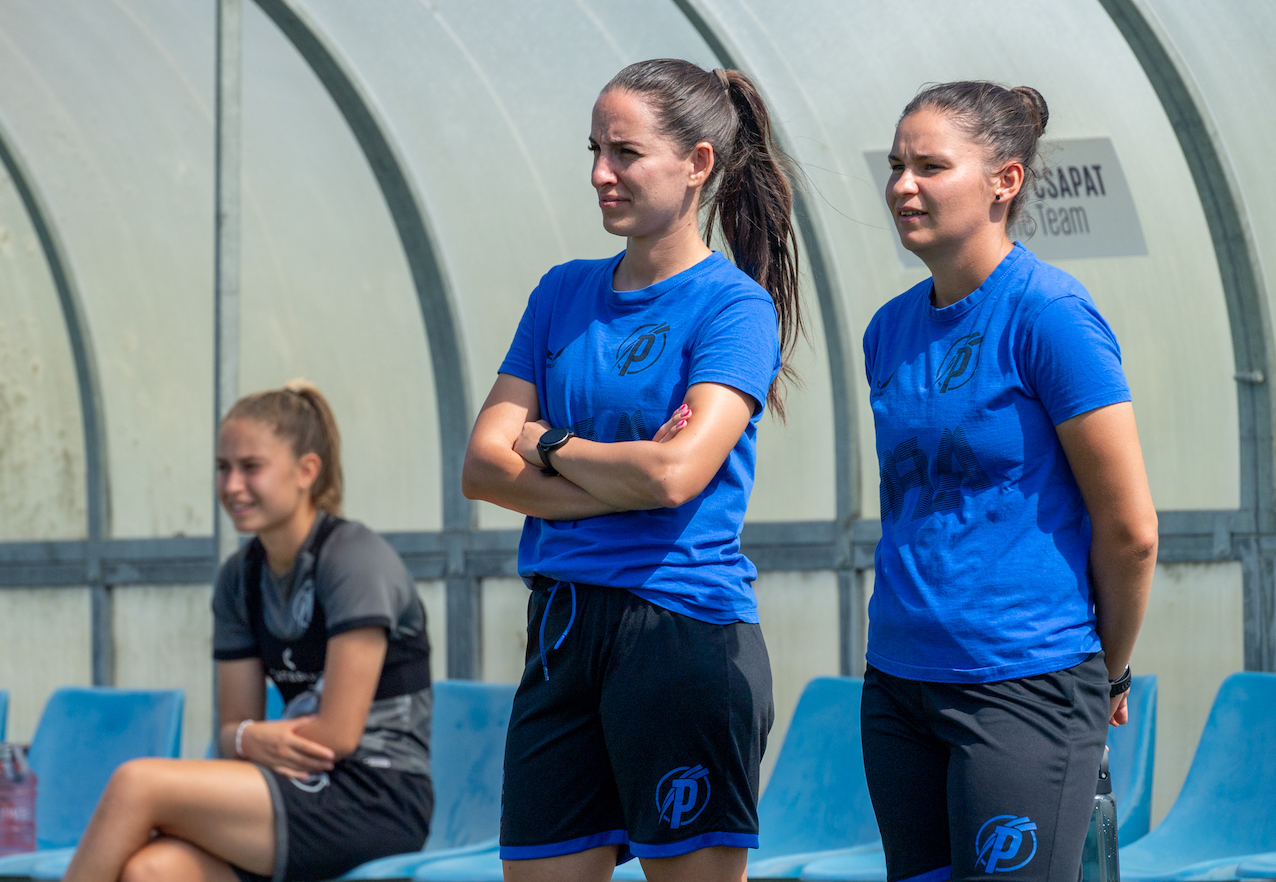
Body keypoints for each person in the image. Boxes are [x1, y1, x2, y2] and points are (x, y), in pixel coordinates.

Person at [461, 58, 804, 882]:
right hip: (560, 630)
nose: (599, 174)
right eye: (595, 150)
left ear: (696, 164)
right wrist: (622, 476)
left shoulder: (733, 308)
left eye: (625, 153)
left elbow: (672, 477)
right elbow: (480, 467)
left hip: (679, 633)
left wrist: (547, 443)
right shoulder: (559, 293)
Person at [860, 81, 1158, 882]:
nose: (902, 186)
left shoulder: (1048, 314)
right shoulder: (887, 330)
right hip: (895, 687)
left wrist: (1104, 674)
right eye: (895, 166)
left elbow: (1130, 531)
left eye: (930, 167)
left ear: (1005, 181)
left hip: (1023, 684)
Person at [65, 381, 433, 882]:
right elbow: (233, 730)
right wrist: (245, 737)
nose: (232, 485)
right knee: (155, 870)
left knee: (137, 784)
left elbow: (337, 736)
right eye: (223, 468)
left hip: (377, 797)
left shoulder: (355, 559)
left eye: (251, 467)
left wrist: (247, 739)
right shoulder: (239, 578)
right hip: (290, 788)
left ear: (307, 471)